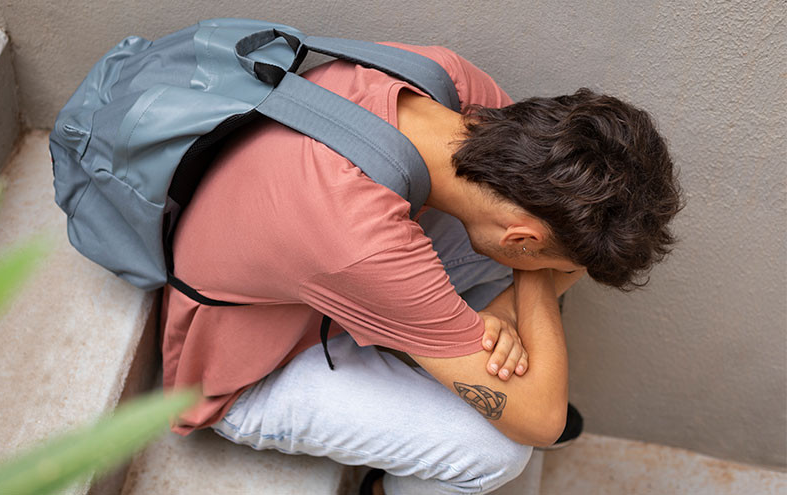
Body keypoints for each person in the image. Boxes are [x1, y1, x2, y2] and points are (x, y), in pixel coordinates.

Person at [160, 42, 682, 495]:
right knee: (493, 450)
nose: (554, 271)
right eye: (543, 255)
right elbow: (543, 422)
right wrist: (534, 276)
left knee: (520, 282)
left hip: (307, 255)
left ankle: (448, 351)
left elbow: (547, 252)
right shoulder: (360, 240)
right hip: (245, 373)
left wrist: (518, 292)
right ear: (522, 236)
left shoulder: (448, 81)